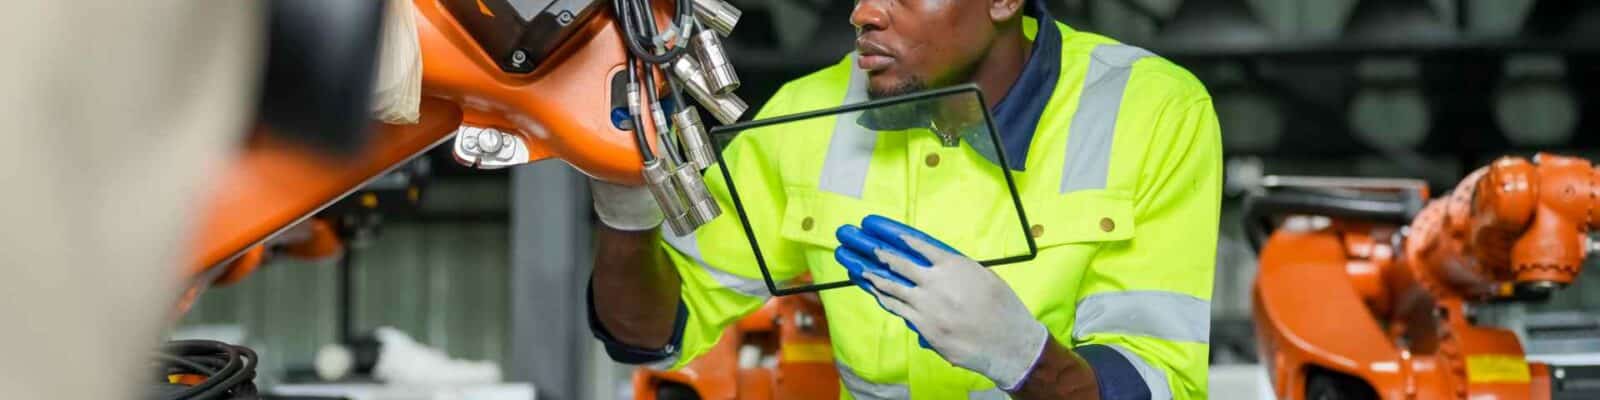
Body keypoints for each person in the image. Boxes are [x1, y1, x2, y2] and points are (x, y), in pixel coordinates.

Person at [587, 0, 1221, 397]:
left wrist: (1028, 360)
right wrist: (626, 213)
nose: (863, 12)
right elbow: (651, 334)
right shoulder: (806, 114)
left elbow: (1158, 383)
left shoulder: (1149, 111)